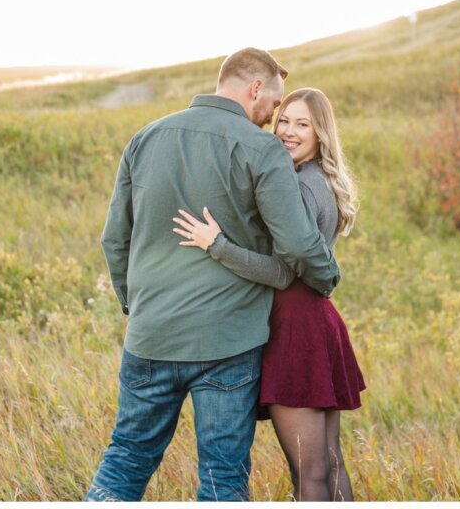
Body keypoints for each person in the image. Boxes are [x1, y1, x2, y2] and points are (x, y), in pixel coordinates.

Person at [84, 49, 341, 502]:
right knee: (223, 476)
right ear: (255, 88)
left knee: (126, 458)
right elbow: (300, 247)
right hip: (229, 344)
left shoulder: (145, 137)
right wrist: (327, 278)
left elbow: (113, 240)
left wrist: (136, 306)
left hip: (152, 335)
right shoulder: (260, 149)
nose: (271, 119)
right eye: (273, 104)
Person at [172, 87, 365, 501]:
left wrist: (216, 244)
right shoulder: (318, 179)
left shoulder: (297, 187)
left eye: (302, 124)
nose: (288, 132)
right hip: (316, 320)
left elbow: (280, 270)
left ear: (320, 134)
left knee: (310, 472)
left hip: (295, 329)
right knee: (329, 465)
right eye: (284, 121)